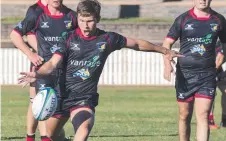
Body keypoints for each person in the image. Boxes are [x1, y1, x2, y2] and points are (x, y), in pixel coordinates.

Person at [17, 0, 183, 141]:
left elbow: (137, 44)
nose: (85, 25)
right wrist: (37, 73)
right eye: (82, 20)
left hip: (83, 99)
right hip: (61, 96)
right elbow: (52, 63)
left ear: (97, 19)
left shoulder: (107, 39)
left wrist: (164, 50)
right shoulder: (67, 39)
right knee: (52, 136)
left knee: (82, 132)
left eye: (89, 20)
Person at [10, 0, 77, 140]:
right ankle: (36, 137)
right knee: (41, 102)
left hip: (64, 70)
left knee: (58, 109)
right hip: (43, 69)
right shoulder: (36, 12)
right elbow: (18, 35)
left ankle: (55, 137)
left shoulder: (72, 16)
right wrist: (31, 54)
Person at [162, 0, 226, 140]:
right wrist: (167, 63)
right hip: (185, 75)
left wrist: (220, 59)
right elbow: (167, 43)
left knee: (203, 115)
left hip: (207, 75)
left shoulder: (219, 20)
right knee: (184, 115)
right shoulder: (183, 19)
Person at [208, 41, 225, 129]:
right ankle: (209, 121)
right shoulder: (221, 44)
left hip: (218, 71)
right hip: (211, 70)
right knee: (209, 95)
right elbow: (218, 60)